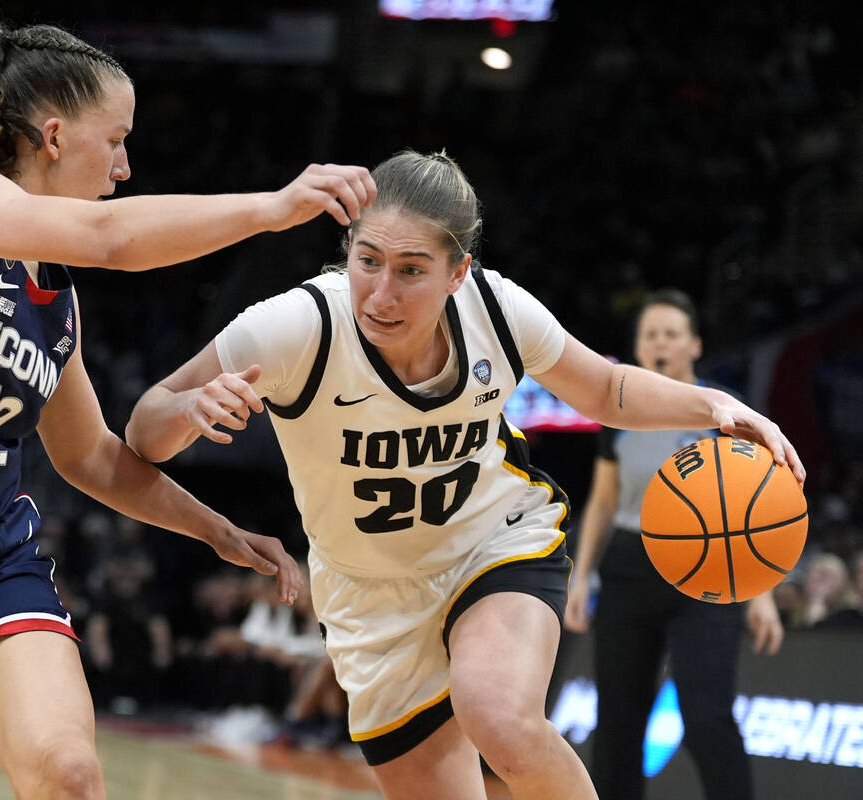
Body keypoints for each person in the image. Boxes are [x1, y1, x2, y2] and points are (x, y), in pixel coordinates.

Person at [0, 19, 374, 800]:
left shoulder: (52, 297)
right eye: (114, 139)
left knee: (70, 775)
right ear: (53, 134)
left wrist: (219, 531)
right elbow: (110, 235)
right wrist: (273, 207)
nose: (124, 165)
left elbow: (89, 457)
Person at [126, 149, 804, 800]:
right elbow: (144, 428)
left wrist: (714, 406)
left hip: (494, 544)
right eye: (368, 261)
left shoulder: (497, 310)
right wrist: (189, 409)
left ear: (458, 273)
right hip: (370, 599)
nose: (381, 293)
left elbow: (604, 390)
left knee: (500, 719)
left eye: (412, 270)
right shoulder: (294, 327)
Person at [562, 289, 785, 800]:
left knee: (706, 716)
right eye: (650, 335)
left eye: (671, 334)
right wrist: (583, 575)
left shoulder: (726, 415)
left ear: (695, 345)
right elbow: (601, 501)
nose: (660, 343)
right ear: (638, 349)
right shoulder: (616, 416)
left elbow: (756, 512)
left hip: (708, 572)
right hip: (628, 565)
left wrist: (761, 592)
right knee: (617, 721)